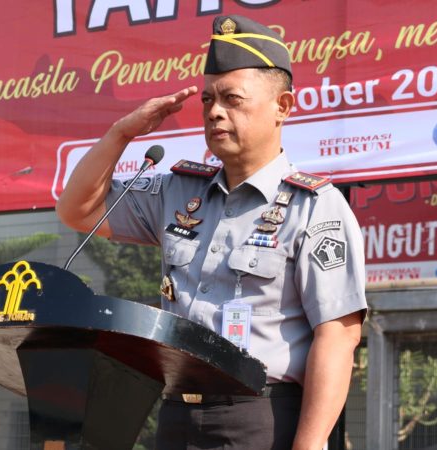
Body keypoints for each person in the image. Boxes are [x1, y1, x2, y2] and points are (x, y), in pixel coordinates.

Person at [57, 14, 366, 450]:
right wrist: (121, 133)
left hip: (263, 421)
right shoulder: (178, 192)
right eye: (207, 100)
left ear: (283, 107)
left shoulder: (314, 206)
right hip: (177, 416)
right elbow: (77, 211)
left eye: (232, 99)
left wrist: (310, 445)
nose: (215, 112)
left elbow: (338, 335)